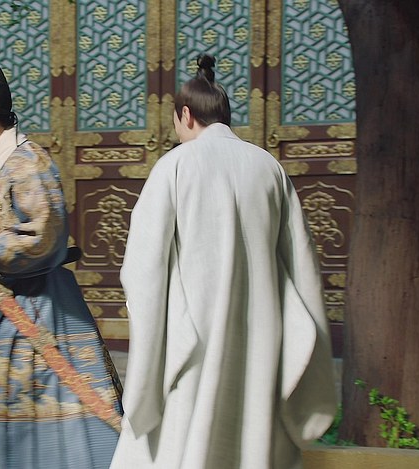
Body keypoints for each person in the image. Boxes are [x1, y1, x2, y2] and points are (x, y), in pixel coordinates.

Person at [110, 54, 336, 469]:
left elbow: (143, 268)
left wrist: (153, 339)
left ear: (185, 115)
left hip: (193, 338)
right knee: (253, 437)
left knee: (184, 443)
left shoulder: (175, 166)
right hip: (262, 332)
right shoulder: (269, 168)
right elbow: (302, 265)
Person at [0, 55, 123, 469]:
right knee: (7, 408)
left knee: (60, 405)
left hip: (41, 309)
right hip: (15, 303)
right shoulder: (7, 160)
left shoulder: (27, 163)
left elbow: (43, 234)